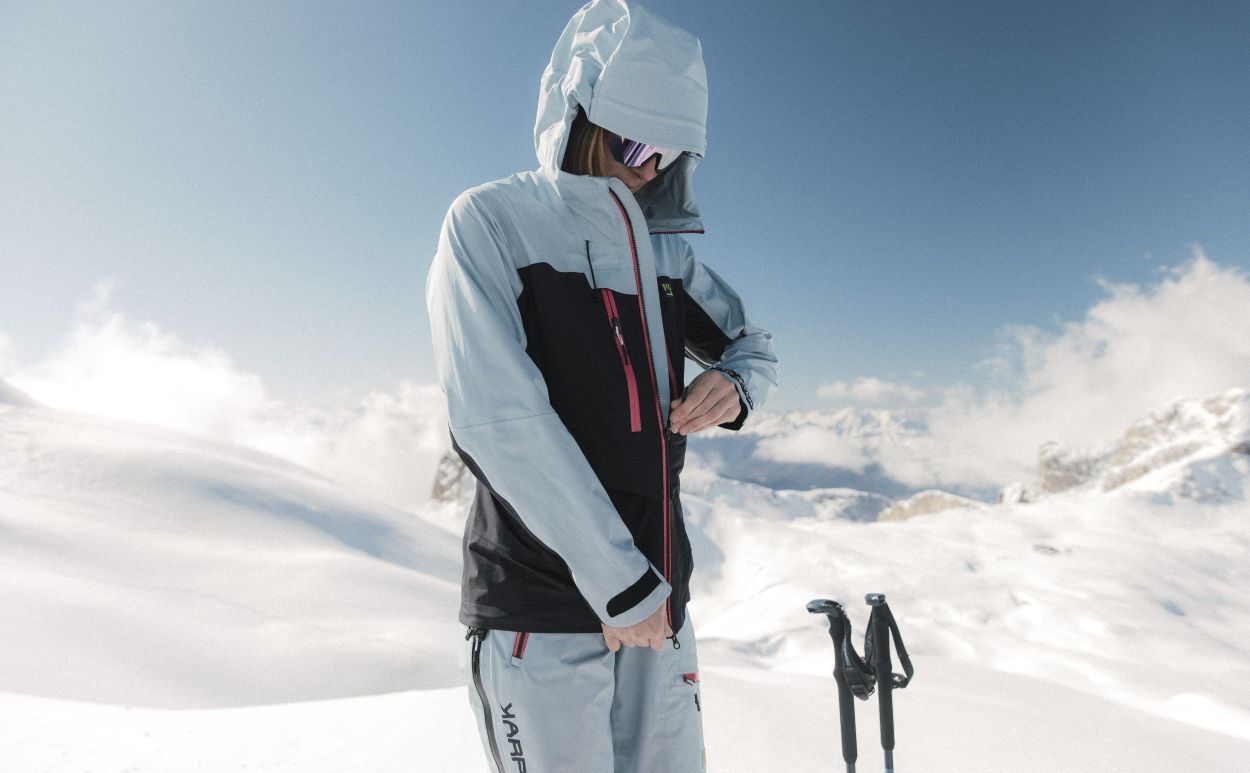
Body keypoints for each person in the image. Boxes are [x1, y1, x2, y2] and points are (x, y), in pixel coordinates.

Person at [425, 1, 778, 770]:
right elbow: (497, 419)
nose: (649, 169)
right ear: (579, 114)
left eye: (669, 153)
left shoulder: (664, 256)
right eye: (635, 142)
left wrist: (736, 384)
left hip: (659, 611)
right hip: (544, 613)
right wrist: (621, 585)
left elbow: (753, 344)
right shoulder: (491, 223)